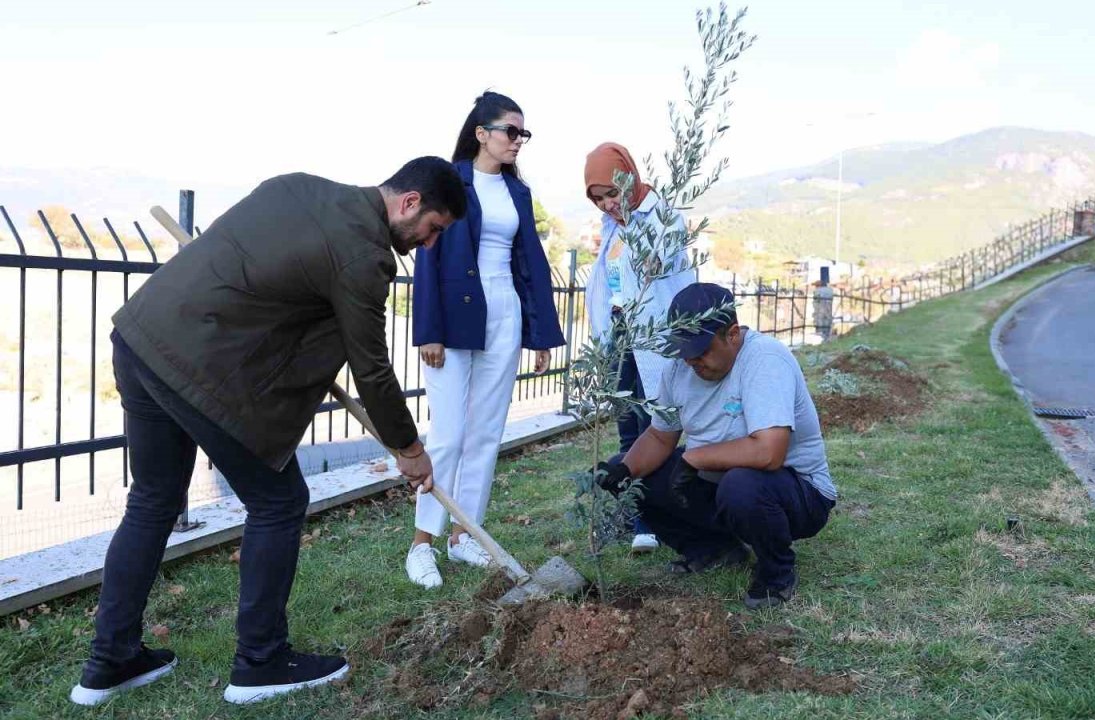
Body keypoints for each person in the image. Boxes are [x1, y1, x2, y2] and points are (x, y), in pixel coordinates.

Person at [70, 158, 468, 707]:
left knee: (154, 499)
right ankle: (260, 663)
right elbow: (370, 364)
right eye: (434, 229)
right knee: (279, 502)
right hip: (200, 367)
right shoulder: (365, 253)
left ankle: (108, 664)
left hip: (142, 340)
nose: (428, 244)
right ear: (410, 203)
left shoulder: (298, 185)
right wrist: (409, 448)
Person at [596, 283, 837, 609]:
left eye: (702, 349)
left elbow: (769, 452)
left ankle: (776, 572)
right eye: (685, 349)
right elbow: (658, 437)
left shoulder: (765, 359)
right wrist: (622, 470)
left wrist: (694, 457)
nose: (692, 359)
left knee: (742, 484)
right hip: (721, 483)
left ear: (733, 334)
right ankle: (713, 549)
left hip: (797, 493)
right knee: (638, 474)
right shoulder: (679, 369)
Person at [407, 92, 565, 589]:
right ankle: (421, 545)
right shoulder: (450, 180)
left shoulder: (518, 193)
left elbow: (531, 264)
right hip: (454, 317)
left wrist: (539, 335)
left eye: (524, 134)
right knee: (449, 432)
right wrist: (428, 328)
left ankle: (464, 534)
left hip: (505, 312)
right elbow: (427, 255)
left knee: (486, 432)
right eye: (510, 131)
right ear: (482, 133)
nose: (518, 141)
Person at [582, 142, 695, 553]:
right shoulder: (615, 226)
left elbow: (661, 267)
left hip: (652, 340)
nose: (608, 205)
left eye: (612, 193)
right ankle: (637, 519)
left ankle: (664, 515)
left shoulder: (663, 217)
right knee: (628, 429)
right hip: (620, 341)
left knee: (657, 427)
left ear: (628, 177)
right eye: (599, 200)